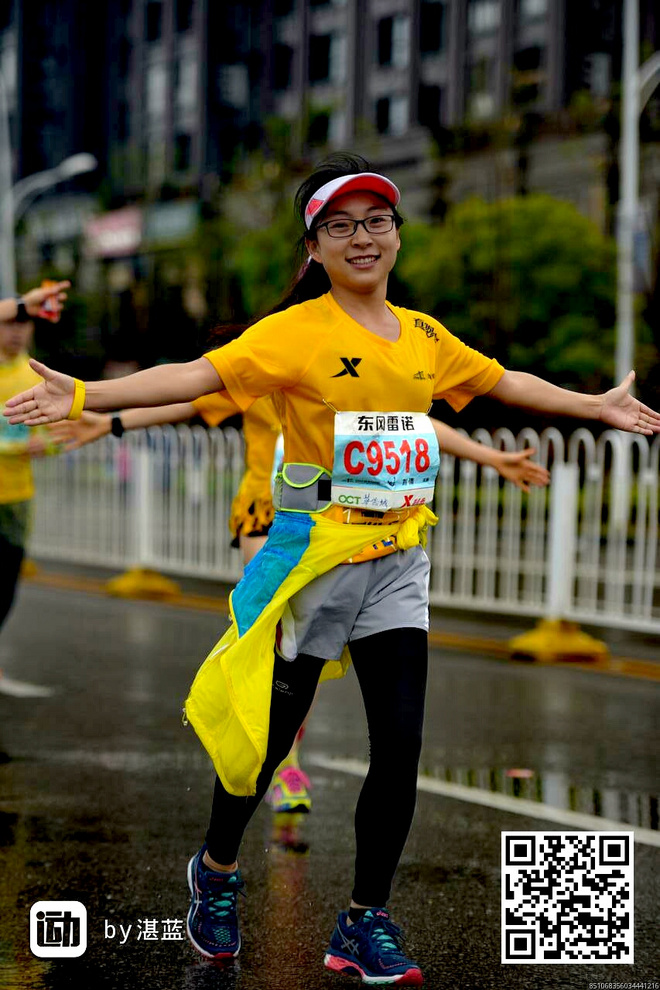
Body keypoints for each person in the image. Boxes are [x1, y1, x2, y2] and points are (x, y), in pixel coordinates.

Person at [5, 153, 659, 986]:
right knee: (272, 740)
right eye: (340, 226)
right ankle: (215, 869)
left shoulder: (423, 335)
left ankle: (364, 921)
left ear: (397, 235)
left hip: (395, 557)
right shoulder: (294, 332)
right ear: (313, 246)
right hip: (313, 555)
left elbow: (501, 381)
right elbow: (195, 380)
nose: (363, 237)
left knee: (401, 743)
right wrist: (88, 398)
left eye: (376, 221)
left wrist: (592, 404)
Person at [0, 281, 69, 653]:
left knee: (7, 582)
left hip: (16, 498)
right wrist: (17, 445)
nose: (16, 332)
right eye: (10, 322)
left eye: (24, 324)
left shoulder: (36, 378)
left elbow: (58, 436)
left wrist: (50, 447)